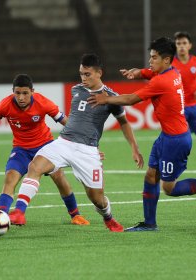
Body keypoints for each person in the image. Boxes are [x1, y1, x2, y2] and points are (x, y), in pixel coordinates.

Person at [88, 37, 196, 232]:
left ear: (166, 59)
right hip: (167, 136)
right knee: (151, 175)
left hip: (176, 141)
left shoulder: (161, 81)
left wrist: (106, 99)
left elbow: (130, 99)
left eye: (154, 57)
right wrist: (139, 73)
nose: (150, 61)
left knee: (169, 189)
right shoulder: (174, 72)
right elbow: (149, 71)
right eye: (150, 57)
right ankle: (149, 223)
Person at [8, 53, 144, 232]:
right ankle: (19, 212)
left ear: (99, 73)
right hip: (63, 143)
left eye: (87, 74)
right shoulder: (76, 90)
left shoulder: (111, 97)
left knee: (97, 198)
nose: (83, 78)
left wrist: (134, 148)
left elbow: (124, 123)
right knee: (35, 166)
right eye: (81, 74)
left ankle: (108, 218)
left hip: (87, 151)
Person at [0, 74, 89, 226]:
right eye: (17, 93)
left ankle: (75, 215)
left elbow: (64, 121)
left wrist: (82, 141)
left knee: (59, 178)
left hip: (45, 146)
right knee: (10, 178)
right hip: (21, 149)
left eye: (25, 93)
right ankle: (1, 216)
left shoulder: (43, 102)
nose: (21, 97)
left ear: (32, 91)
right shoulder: (4, 105)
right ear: (13, 91)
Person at [120, 31, 196, 177]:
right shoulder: (170, 64)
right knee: (179, 138)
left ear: (190, 45)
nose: (182, 46)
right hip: (179, 111)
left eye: (184, 43)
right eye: (178, 43)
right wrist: (136, 72)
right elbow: (149, 72)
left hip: (194, 106)